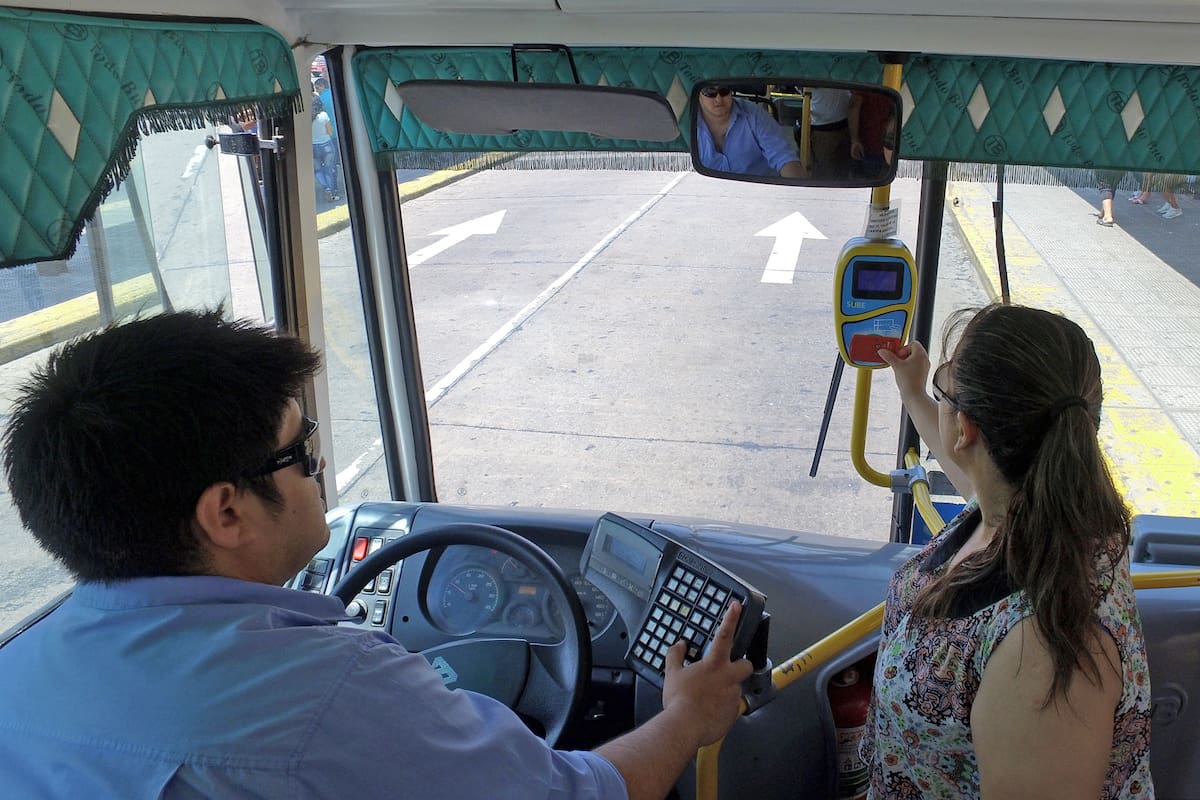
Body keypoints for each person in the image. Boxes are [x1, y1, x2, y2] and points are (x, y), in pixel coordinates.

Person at [0, 310, 753, 799]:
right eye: (299, 451)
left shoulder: (17, 670)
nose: (319, 467)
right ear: (226, 512)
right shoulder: (331, 691)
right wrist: (688, 716)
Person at [864, 304, 1153, 799]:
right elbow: (973, 470)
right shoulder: (1049, 508)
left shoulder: (1041, 651)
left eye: (944, 384)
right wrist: (914, 392)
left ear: (967, 429)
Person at [695, 85, 806, 178]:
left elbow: (784, 158)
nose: (718, 99)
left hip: (759, 191)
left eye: (724, 91)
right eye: (710, 92)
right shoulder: (689, 124)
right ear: (698, 94)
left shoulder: (755, 115)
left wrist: (797, 191)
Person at [312, 95, 340, 202]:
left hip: (314, 147)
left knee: (318, 170)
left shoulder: (306, 118)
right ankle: (333, 193)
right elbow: (330, 132)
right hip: (327, 145)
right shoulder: (323, 115)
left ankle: (326, 187)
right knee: (329, 169)